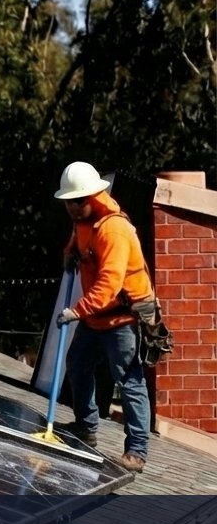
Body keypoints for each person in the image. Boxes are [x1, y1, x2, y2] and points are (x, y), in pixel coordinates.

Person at [53, 161, 154, 473]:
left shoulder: (114, 230)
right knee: (79, 364)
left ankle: (136, 451)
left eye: (76, 201)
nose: (70, 207)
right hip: (97, 317)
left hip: (121, 318)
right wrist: (69, 252)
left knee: (129, 380)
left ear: (91, 197)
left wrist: (76, 311)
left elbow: (109, 285)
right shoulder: (83, 219)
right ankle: (86, 427)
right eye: (68, 201)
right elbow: (78, 241)